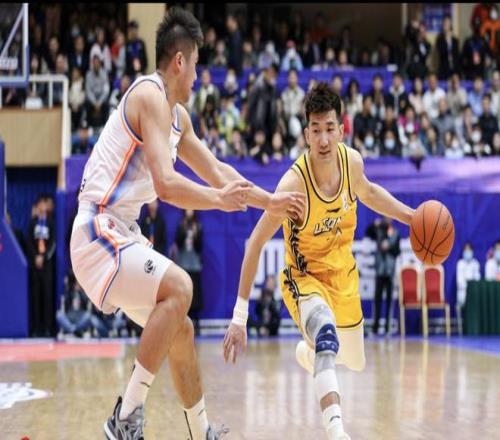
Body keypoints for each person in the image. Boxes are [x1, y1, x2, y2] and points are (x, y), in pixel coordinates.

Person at [69, 8, 304, 440]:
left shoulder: (179, 118)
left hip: (120, 232)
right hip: (97, 230)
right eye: (196, 64)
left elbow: (219, 172)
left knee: (182, 327)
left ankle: (201, 431)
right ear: (179, 61)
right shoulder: (149, 95)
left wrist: (271, 201)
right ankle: (125, 417)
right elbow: (166, 184)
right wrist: (218, 200)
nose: (198, 76)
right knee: (181, 287)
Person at [223, 82, 414, 440]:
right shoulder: (293, 186)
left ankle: (310, 355)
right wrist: (239, 317)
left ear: (341, 129)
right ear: (306, 134)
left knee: (354, 360)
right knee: (326, 334)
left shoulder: (352, 163)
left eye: (330, 128)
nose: (323, 139)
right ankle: (337, 432)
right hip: (304, 279)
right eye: (316, 130)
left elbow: (370, 193)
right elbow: (255, 242)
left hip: (343, 276)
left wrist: (412, 217)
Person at [365, 216, 401, 336]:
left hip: (390, 271)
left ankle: (387, 328)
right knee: (377, 300)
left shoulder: (395, 233)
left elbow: (397, 251)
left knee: (390, 301)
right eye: (386, 217)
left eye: (390, 217)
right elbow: (368, 232)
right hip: (380, 271)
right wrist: (374, 225)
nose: (388, 219)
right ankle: (375, 327)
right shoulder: (378, 230)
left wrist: (389, 247)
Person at [27, 195, 56, 337]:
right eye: (41, 204)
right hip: (35, 265)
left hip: (47, 265)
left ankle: (48, 328)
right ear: (37, 205)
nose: (43, 206)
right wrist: (35, 257)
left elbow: (53, 243)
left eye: (45, 204)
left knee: (47, 296)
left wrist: (44, 258)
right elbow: (29, 242)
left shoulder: (50, 222)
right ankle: (36, 328)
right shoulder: (33, 223)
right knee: (36, 296)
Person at [174, 210, 203, 335]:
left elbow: (200, 247)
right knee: (184, 295)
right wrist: (183, 230)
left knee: (196, 295)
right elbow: (178, 243)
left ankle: (196, 324)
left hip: (195, 265)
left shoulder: (198, 226)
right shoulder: (181, 225)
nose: (189, 211)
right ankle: (183, 323)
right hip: (183, 264)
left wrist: (196, 234)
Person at [455, 242, 481, 335]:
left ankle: (476, 328)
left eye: (469, 250)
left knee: (477, 299)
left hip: (474, 293)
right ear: (463, 251)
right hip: (463, 293)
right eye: (466, 250)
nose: (467, 252)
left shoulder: (476, 263)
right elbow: (460, 281)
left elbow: (477, 279)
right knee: (465, 298)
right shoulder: (460, 264)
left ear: (472, 251)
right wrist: (469, 286)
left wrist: (472, 286)